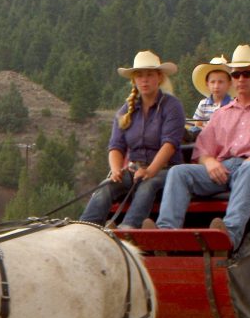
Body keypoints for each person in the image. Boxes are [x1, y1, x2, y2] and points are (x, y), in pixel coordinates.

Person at [155, 44, 250, 249]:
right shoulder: (221, 114)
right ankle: (165, 234)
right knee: (178, 172)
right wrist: (209, 162)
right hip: (224, 168)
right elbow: (202, 151)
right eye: (236, 74)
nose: (241, 79)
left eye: (247, 73)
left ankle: (228, 236)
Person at [79, 50, 185, 229]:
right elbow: (116, 146)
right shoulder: (124, 111)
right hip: (134, 169)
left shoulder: (172, 106)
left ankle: (128, 228)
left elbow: (170, 145)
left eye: (149, 75)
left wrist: (150, 170)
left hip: (166, 170)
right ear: (134, 80)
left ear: (159, 77)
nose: (144, 80)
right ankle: (85, 228)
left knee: (147, 185)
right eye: (140, 76)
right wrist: (115, 171)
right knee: (105, 187)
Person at [188, 55, 232, 134]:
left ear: (229, 84)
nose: (216, 86)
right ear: (207, 84)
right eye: (213, 82)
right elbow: (197, 125)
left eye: (220, 82)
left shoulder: (233, 105)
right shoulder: (203, 104)